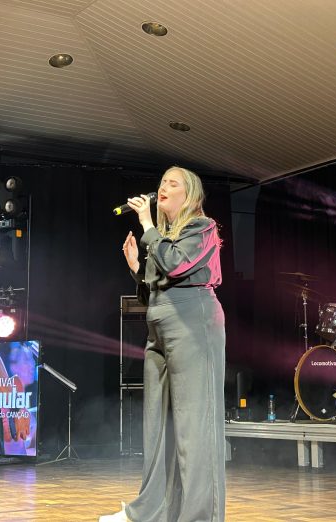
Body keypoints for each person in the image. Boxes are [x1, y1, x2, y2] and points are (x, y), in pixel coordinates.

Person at [100, 167, 226, 522]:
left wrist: (146, 224)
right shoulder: (164, 239)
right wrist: (136, 268)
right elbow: (152, 292)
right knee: (160, 426)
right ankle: (150, 512)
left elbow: (174, 265)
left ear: (190, 195)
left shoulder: (202, 227)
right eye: (162, 182)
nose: (163, 188)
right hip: (159, 329)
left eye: (173, 183)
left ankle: (199, 516)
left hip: (192, 324)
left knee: (193, 425)